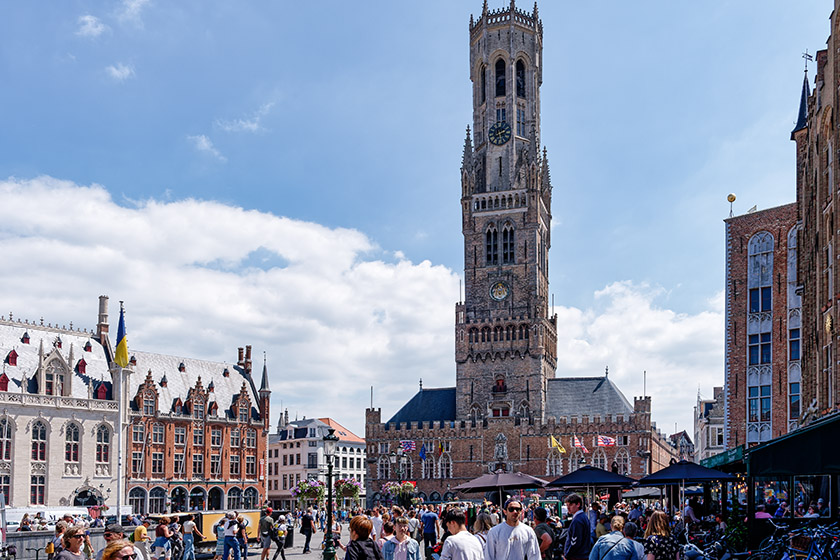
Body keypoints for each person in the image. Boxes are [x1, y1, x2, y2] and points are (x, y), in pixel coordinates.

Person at [563, 494, 592, 560]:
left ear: (578, 504)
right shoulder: (583, 517)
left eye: (570, 505)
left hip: (577, 556)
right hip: (583, 555)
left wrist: (567, 555)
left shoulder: (577, 520)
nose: (568, 508)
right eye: (567, 505)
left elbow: (575, 542)